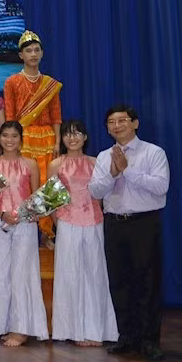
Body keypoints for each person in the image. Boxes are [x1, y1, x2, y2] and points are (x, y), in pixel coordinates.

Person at [89, 105, 169, 360]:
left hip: (144, 223)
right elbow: (95, 192)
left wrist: (127, 170)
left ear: (135, 123)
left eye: (122, 120)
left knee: (147, 281)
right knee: (120, 282)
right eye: (111, 122)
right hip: (114, 223)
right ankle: (127, 336)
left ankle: (149, 340)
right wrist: (113, 173)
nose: (117, 125)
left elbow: (160, 187)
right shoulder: (103, 157)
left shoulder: (153, 152)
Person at [49, 120, 118, 347]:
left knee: (95, 274)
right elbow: (51, 200)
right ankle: (72, 329)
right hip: (67, 222)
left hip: (94, 221)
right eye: (68, 134)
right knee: (69, 274)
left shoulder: (97, 162)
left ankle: (95, 330)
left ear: (85, 137)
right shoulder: (56, 164)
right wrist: (57, 224)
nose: (73, 138)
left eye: (77, 133)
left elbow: (103, 193)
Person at [0, 121, 48, 347]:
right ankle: (1, 324)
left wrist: (27, 215)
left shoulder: (30, 164)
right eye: (5, 136)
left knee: (22, 274)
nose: (9, 140)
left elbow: (36, 196)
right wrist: (0, 214)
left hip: (24, 224)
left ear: (21, 139)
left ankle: (21, 328)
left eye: (14, 136)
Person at [3, 31, 62, 245]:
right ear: (21, 55)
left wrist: (57, 141)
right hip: (23, 139)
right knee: (24, 185)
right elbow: (10, 116)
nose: (33, 54)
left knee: (47, 186)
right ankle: (24, 230)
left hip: (46, 139)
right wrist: (12, 143)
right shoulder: (12, 82)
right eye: (28, 50)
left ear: (42, 53)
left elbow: (56, 115)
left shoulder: (50, 84)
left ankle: (48, 233)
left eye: (37, 50)